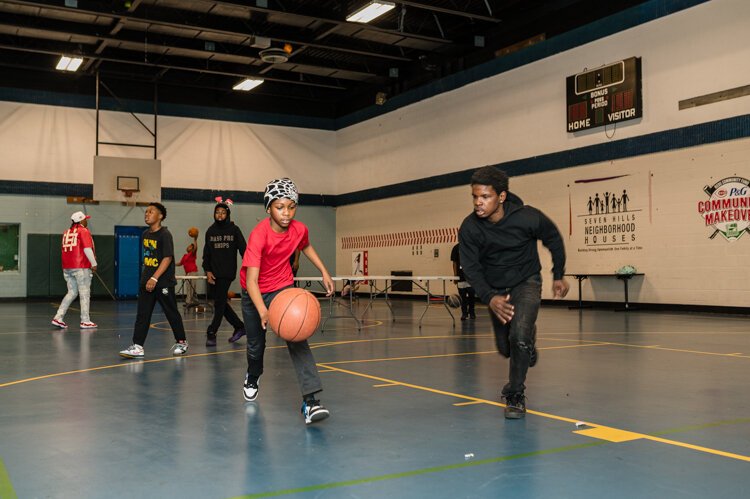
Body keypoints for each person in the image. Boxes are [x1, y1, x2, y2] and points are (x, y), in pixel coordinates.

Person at [458, 166, 569, 419]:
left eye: (485, 197)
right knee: (506, 348)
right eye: (475, 196)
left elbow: (553, 238)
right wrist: (489, 297)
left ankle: (515, 394)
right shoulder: (470, 229)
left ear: (501, 196)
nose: (478, 202)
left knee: (518, 337)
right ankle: (527, 340)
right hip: (496, 289)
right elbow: (472, 269)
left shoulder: (527, 217)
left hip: (526, 282)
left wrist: (559, 274)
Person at [240, 178, 334, 425]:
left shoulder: (299, 229)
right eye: (280, 207)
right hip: (254, 292)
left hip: (282, 288)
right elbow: (251, 281)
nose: (286, 213)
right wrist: (262, 310)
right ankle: (253, 374)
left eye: (291, 207)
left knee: (298, 339)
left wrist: (324, 271)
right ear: (268, 207)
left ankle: (311, 402)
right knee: (255, 345)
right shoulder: (259, 235)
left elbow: (306, 246)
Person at [119, 203, 189, 359]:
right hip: (147, 282)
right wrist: (147, 278)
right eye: (146, 212)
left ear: (160, 216)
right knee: (142, 315)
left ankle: (181, 342)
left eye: (151, 212)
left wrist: (155, 277)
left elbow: (167, 258)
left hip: (162, 282)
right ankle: (138, 346)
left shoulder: (165, 234)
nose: (147, 214)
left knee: (171, 313)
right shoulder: (145, 234)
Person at [202, 198, 247, 346]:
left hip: (227, 273)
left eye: (223, 212)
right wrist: (207, 270)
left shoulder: (234, 230)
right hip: (213, 273)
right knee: (221, 303)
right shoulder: (210, 231)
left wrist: (249, 269)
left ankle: (211, 332)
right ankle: (240, 327)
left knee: (219, 303)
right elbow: (206, 253)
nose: (220, 215)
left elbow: (244, 250)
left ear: (227, 214)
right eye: (217, 212)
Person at [52, 211, 98, 329]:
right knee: (84, 292)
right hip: (80, 266)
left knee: (72, 292)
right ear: (81, 220)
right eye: (85, 219)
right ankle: (85, 320)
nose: (87, 221)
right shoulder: (83, 231)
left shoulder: (66, 232)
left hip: (67, 267)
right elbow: (87, 249)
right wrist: (93, 263)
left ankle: (58, 317)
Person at [450, 242, 475, 320]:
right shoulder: (456, 248)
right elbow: (454, 263)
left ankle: (472, 312)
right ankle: (464, 313)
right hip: (461, 277)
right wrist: (455, 276)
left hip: (471, 277)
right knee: (463, 297)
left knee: (471, 296)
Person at [176, 242, 199, 306]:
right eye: (188, 246)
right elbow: (180, 263)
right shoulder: (185, 256)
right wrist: (173, 264)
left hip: (193, 272)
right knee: (190, 287)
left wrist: (195, 238)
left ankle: (188, 302)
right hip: (188, 273)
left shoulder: (192, 254)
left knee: (190, 287)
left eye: (190, 246)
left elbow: (196, 248)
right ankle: (194, 301)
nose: (188, 247)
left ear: (192, 249)